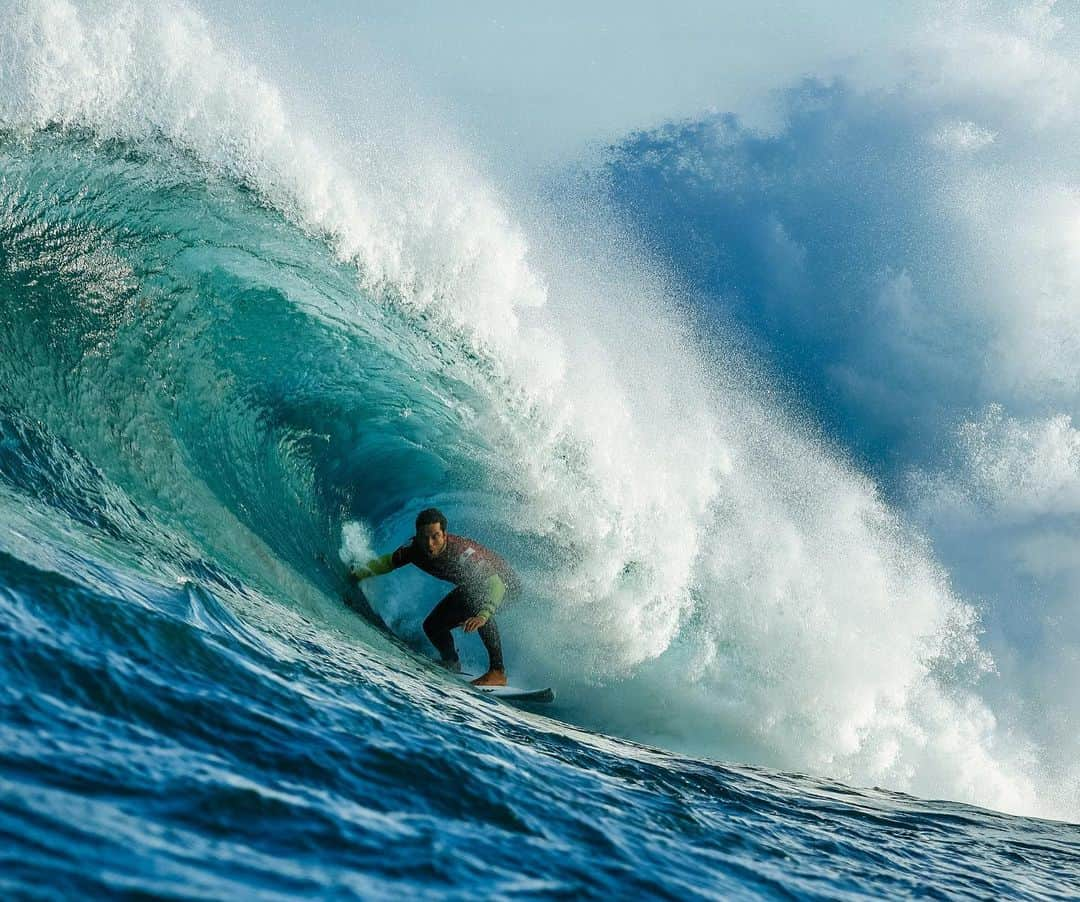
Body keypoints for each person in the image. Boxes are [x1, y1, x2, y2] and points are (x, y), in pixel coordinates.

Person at [348, 508, 520, 686]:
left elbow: (495, 584)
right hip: (475, 586)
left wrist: (483, 615)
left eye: (435, 536)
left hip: (504, 584)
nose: (429, 544)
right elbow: (388, 562)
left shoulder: (462, 554)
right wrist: (359, 573)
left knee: (477, 603)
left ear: (444, 535)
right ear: (417, 536)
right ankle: (451, 662)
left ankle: (497, 671)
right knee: (433, 626)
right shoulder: (415, 549)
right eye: (424, 537)